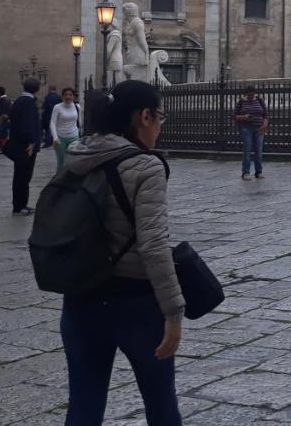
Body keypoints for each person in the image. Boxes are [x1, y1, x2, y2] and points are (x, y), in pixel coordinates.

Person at [59, 80, 184, 424]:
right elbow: (154, 246)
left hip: (81, 299)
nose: (160, 127)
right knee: (161, 405)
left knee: (83, 404)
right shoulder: (147, 166)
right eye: (160, 117)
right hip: (136, 305)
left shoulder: (77, 156)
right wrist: (174, 312)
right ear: (144, 117)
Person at [8, 77, 42, 215]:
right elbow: (27, 124)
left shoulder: (18, 101)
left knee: (20, 175)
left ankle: (19, 204)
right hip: (26, 146)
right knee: (24, 176)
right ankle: (21, 205)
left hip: (18, 144)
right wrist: (31, 142)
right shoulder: (29, 102)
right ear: (37, 89)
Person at [233, 86, 268, 180]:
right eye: (249, 94)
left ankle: (259, 172)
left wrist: (265, 124)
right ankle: (245, 172)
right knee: (247, 151)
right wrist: (244, 117)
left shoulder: (260, 100)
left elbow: (265, 114)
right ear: (246, 94)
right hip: (246, 128)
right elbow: (235, 115)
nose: (251, 96)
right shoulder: (241, 102)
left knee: (258, 151)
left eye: (252, 94)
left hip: (259, 128)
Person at [49, 88, 82, 173]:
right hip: (61, 138)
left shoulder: (77, 107)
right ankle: (59, 181)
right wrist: (55, 137)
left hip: (74, 137)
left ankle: (71, 180)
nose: (68, 96)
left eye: (70, 95)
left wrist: (80, 134)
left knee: (73, 160)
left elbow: (80, 122)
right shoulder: (57, 107)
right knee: (61, 162)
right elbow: (52, 123)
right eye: (66, 95)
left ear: (73, 96)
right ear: (62, 96)